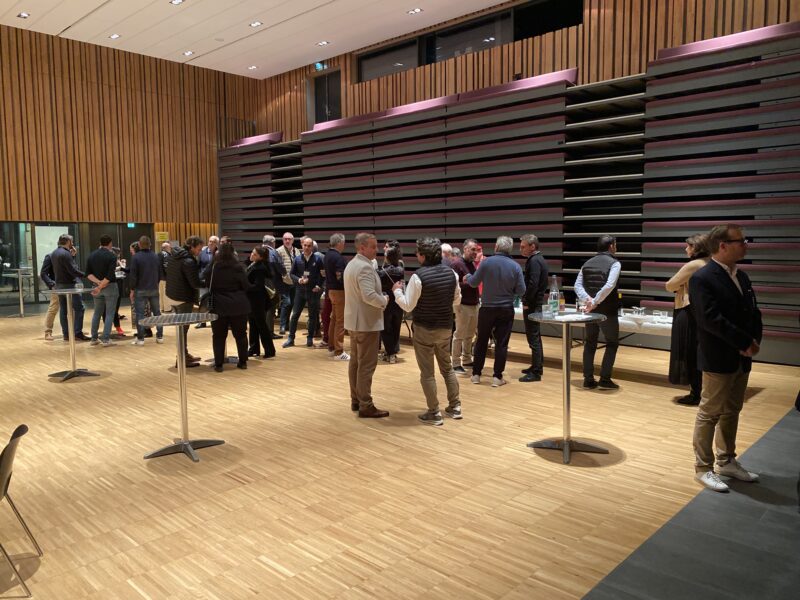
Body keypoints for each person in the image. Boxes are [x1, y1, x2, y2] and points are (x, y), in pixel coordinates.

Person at [689, 224, 762, 493]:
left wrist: (753, 341)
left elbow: (753, 312)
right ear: (722, 246)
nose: (745, 245)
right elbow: (710, 319)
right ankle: (703, 467)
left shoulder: (741, 276)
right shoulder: (702, 278)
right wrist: (744, 342)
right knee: (710, 413)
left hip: (741, 357)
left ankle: (727, 460)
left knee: (732, 410)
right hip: (718, 356)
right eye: (741, 241)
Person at [392, 237, 462, 425]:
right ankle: (455, 407)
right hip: (446, 328)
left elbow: (408, 305)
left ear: (423, 255)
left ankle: (434, 412)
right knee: (447, 368)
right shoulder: (452, 274)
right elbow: (457, 300)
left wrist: (397, 291)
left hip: (424, 329)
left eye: (417, 252)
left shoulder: (418, 276)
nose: (416, 255)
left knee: (428, 373)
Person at [464, 236, 525, 387]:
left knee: (481, 341)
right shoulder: (515, 266)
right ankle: (497, 377)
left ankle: (476, 374)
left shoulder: (486, 262)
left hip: (487, 308)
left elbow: (474, 282)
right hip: (506, 309)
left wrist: (468, 277)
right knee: (501, 344)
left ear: (496, 247)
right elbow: (521, 290)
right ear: (510, 249)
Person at [344, 232, 390, 418]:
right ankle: (366, 405)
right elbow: (369, 295)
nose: (376, 250)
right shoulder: (364, 267)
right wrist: (384, 300)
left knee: (356, 362)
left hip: (355, 322)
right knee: (366, 365)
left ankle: (356, 399)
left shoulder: (351, 264)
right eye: (373, 246)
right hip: (366, 323)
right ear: (362, 248)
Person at [666, 234, 710, 405]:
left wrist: (678, 287)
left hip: (687, 311)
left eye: (688, 246)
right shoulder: (710, 262)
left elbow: (670, 285)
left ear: (696, 248)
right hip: (701, 312)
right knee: (698, 351)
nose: (686, 249)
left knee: (688, 352)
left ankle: (695, 393)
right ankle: (702, 391)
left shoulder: (694, 265)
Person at [574, 235, 621, 390]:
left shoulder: (587, 263)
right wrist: (594, 302)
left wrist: (588, 300)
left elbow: (577, 286)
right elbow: (609, 285)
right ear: (611, 246)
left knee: (590, 342)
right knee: (612, 343)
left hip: (590, 310)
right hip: (608, 310)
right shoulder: (615, 263)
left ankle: (588, 379)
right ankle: (605, 379)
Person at [208, 242, 251, 371]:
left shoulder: (214, 267)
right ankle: (243, 362)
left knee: (218, 336)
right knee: (241, 335)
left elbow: (207, 283)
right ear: (233, 253)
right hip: (238, 305)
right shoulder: (238, 267)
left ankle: (219, 364)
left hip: (218, 305)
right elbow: (246, 286)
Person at [166, 236, 205, 366]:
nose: (199, 252)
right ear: (192, 247)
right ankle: (182, 359)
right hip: (183, 298)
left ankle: (184, 354)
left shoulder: (174, 256)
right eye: (199, 249)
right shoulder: (188, 261)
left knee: (181, 329)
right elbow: (195, 283)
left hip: (172, 295)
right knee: (183, 329)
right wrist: (207, 282)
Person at [283, 236, 324, 348]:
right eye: (305, 245)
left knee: (312, 316)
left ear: (312, 247)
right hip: (300, 291)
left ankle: (310, 338)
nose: (306, 247)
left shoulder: (318, 259)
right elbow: (292, 274)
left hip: (312, 292)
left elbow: (323, 275)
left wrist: (318, 286)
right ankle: (291, 338)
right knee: (295, 315)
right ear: (302, 245)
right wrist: (298, 280)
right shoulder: (297, 259)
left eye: (309, 246)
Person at [519, 234, 549, 382]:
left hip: (532, 304)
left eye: (523, 246)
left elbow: (533, 284)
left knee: (533, 337)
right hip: (535, 303)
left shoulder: (534, 261)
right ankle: (537, 366)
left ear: (532, 246)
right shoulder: (538, 259)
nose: (521, 249)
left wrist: (526, 300)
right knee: (535, 336)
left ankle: (536, 372)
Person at [50, 234, 89, 341]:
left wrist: (72, 256)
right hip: (70, 285)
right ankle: (77, 332)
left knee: (63, 310)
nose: (72, 243)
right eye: (71, 241)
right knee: (79, 308)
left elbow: (65, 267)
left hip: (59, 285)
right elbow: (73, 270)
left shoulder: (54, 253)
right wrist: (86, 275)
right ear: (68, 241)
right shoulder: (66, 254)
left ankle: (66, 334)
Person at [450, 238, 480, 376]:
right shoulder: (456, 264)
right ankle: (455, 363)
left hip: (474, 304)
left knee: (470, 334)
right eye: (472, 249)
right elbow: (452, 285)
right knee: (459, 335)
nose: (475, 252)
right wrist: (467, 284)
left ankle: (467, 359)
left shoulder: (472, 264)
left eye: (476, 250)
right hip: (462, 305)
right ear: (465, 249)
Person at [129, 236, 164, 345]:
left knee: (140, 314)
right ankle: (160, 336)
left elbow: (133, 276)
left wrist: (132, 290)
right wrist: (155, 283)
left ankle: (141, 339)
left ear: (139, 245)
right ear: (150, 245)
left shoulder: (136, 257)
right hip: (153, 288)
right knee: (157, 313)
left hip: (140, 289)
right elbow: (160, 273)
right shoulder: (155, 256)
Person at [85, 234, 119, 346]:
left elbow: (88, 274)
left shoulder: (92, 255)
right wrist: (101, 285)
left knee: (97, 313)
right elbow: (110, 275)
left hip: (95, 287)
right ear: (110, 243)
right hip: (110, 287)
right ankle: (105, 339)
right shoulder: (112, 256)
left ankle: (94, 338)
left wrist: (98, 284)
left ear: (100, 243)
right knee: (109, 313)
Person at [246, 246, 276, 358]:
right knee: (253, 324)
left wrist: (245, 286)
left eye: (255, 254)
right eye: (252, 252)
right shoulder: (254, 264)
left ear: (261, 257)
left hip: (257, 301)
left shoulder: (259, 268)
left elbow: (257, 286)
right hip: (252, 300)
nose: (251, 255)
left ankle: (270, 350)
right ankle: (254, 349)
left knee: (261, 326)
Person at [324, 233, 349, 360]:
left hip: (330, 291)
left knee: (334, 319)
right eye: (343, 243)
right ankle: (339, 352)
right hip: (339, 292)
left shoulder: (327, 255)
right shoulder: (338, 257)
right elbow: (340, 276)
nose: (344, 245)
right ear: (339, 243)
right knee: (340, 321)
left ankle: (331, 347)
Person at [378, 244, 404, 363]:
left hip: (387, 302)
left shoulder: (382, 272)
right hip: (398, 302)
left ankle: (390, 353)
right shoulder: (401, 270)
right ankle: (392, 353)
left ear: (387, 257)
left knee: (385, 328)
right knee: (396, 328)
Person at [261, 235, 285, 338]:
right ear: (272, 242)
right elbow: (280, 267)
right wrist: (284, 272)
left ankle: (262, 331)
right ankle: (269, 332)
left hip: (260, 284)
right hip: (272, 284)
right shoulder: (273, 252)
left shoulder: (258, 250)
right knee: (271, 309)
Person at [276, 232, 298, 335]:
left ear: (293, 240)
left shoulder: (296, 251)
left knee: (292, 303)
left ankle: (287, 324)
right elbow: (277, 267)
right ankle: (282, 326)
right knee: (287, 303)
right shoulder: (279, 251)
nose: (287, 241)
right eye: (285, 239)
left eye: (289, 239)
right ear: (283, 240)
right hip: (284, 282)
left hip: (294, 282)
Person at [196, 235, 219, 329]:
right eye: (210, 241)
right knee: (203, 300)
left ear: (217, 243)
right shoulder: (202, 253)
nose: (211, 243)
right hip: (204, 281)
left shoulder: (219, 253)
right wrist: (199, 277)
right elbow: (198, 266)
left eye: (213, 242)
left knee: (215, 301)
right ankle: (202, 322)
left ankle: (215, 320)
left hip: (216, 281)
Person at [40, 252, 60, 341]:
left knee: (72, 308)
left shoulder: (69, 255)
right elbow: (43, 273)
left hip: (68, 285)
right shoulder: (50, 256)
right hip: (57, 286)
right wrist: (51, 284)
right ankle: (48, 331)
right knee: (53, 308)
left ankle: (71, 331)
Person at [159, 242, 173, 313]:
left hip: (159, 278)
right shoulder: (166, 254)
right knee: (166, 293)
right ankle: (167, 308)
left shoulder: (158, 254)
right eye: (170, 247)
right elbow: (166, 265)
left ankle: (162, 307)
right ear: (167, 248)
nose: (170, 249)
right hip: (166, 277)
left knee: (161, 293)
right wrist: (170, 275)